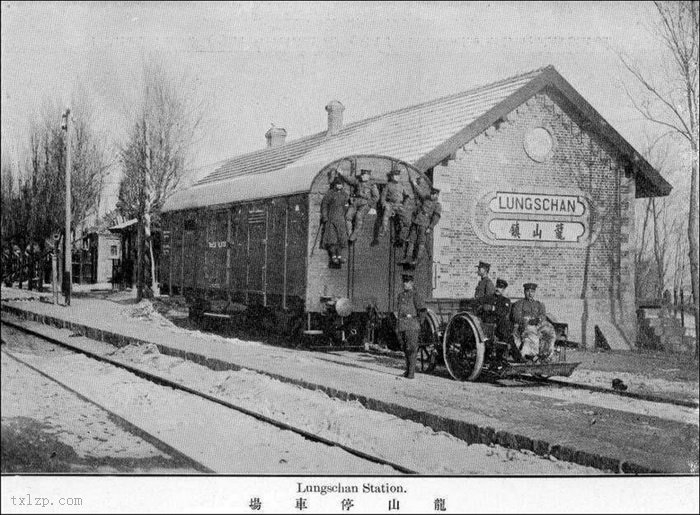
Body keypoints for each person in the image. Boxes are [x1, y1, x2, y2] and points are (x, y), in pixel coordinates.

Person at [510, 283, 555, 361]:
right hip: (524, 326)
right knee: (531, 332)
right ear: (524, 292)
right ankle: (532, 356)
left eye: (532, 292)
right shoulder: (519, 304)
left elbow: (543, 315)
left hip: (537, 326)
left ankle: (546, 354)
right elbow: (516, 317)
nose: (530, 294)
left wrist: (538, 320)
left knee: (550, 331)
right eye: (528, 291)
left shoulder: (539, 304)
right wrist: (528, 321)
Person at [396, 269, 427, 379]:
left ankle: (411, 373)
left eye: (407, 282)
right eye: (404, 282)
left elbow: (422, 310)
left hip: (412, 325)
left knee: (412, 349)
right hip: (403, 325)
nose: (405, 284)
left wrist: (418, 323)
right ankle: (407, 370)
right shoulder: (401, 295)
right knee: (405, 348)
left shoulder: (415, 295)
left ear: (412, 283)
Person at [403, 186, 442, 264]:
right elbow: (419, 191)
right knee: (411, 240)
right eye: (432, 193)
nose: (432, 195)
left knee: (421, 242)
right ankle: (408, 257)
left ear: (437, 195)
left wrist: (430, 227)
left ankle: (418, 259)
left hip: (424, 225)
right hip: (416, 222)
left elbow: (436, 218)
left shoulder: (437, 205)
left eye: (434, 194)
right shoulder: (426, 199)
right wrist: (414, 184)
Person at [340, 168, 379, 242]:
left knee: (359, 216)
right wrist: (342, 174)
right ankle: (350, 234)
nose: (363, 177)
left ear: (369, 176)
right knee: (348, 216)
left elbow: (376, 197)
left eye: (366, 175)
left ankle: (354, 235)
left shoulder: (372, 185)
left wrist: (369, 204)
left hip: (365, 203)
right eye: (362, 175)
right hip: (356, 201)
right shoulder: (358, 181)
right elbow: (349, 180)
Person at [320, 177, 349, 266]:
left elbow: (346, 205)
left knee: (341, 238)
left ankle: (339, 257)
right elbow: (324, 205)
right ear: (335, 185)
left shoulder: (344, 194)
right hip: (331, 219)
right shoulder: (330, 194)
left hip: (341, 219)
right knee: (332, 239)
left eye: (341, 184)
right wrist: (324, 216)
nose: (339, 186)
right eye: (338, 184)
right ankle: (333, 257)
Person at [379, 168, 412, 243]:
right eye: (395, 176)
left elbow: (407, 196)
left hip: (399, 205)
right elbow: (383, 196)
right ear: (392, 177)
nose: (396, 177)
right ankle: (384, 230)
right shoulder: (388, 185)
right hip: (390, 204)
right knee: (385, 216)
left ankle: (402, 236)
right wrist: (384, 204)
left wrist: (404, 205)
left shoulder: (401, 185)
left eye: (398, 176)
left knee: (407, 221)